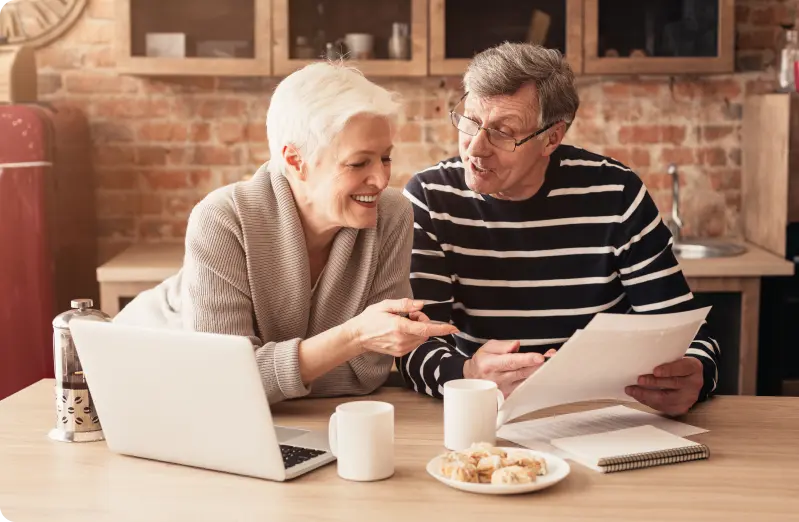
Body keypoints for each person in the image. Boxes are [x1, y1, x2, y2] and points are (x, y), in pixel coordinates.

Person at [397, 43, 719, 416]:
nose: (476, 148)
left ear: (552, 137)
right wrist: (466, 374)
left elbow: (685, 332)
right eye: (470, 121)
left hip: (604, 412)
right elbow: (413, 344)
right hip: (486, 413)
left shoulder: (615, 193)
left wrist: (696, 372)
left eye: (503, 132)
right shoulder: (430, 197)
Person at [114, 62, 457, 404]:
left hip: (264, 414)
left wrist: (261, 373)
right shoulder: (221, 219)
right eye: (358, 163)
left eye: (385, 158)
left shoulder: (392, 214)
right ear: (295, 161)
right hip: (138, 385)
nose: (381, 180)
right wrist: (353, 337)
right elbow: (221, 382)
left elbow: (366, 373)